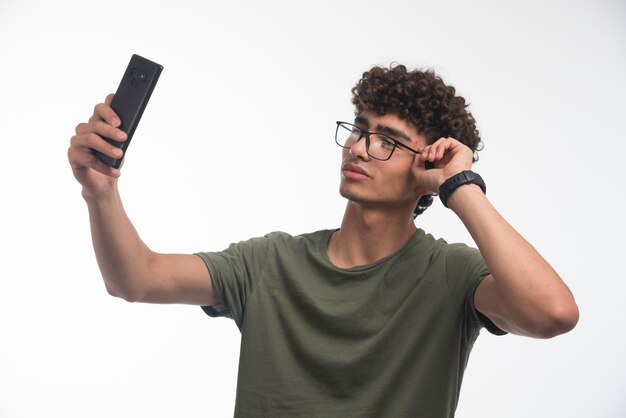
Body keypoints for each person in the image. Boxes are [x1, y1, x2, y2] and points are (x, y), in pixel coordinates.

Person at [68, 64, 579, 417]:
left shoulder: (452, 275)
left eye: (387, 140)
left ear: (429, 163)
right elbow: (135, 278)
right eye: (359, 129)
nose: (358, 146)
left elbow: (553, 313)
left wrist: (460, 188)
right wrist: (101, 192)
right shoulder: (270, 263)